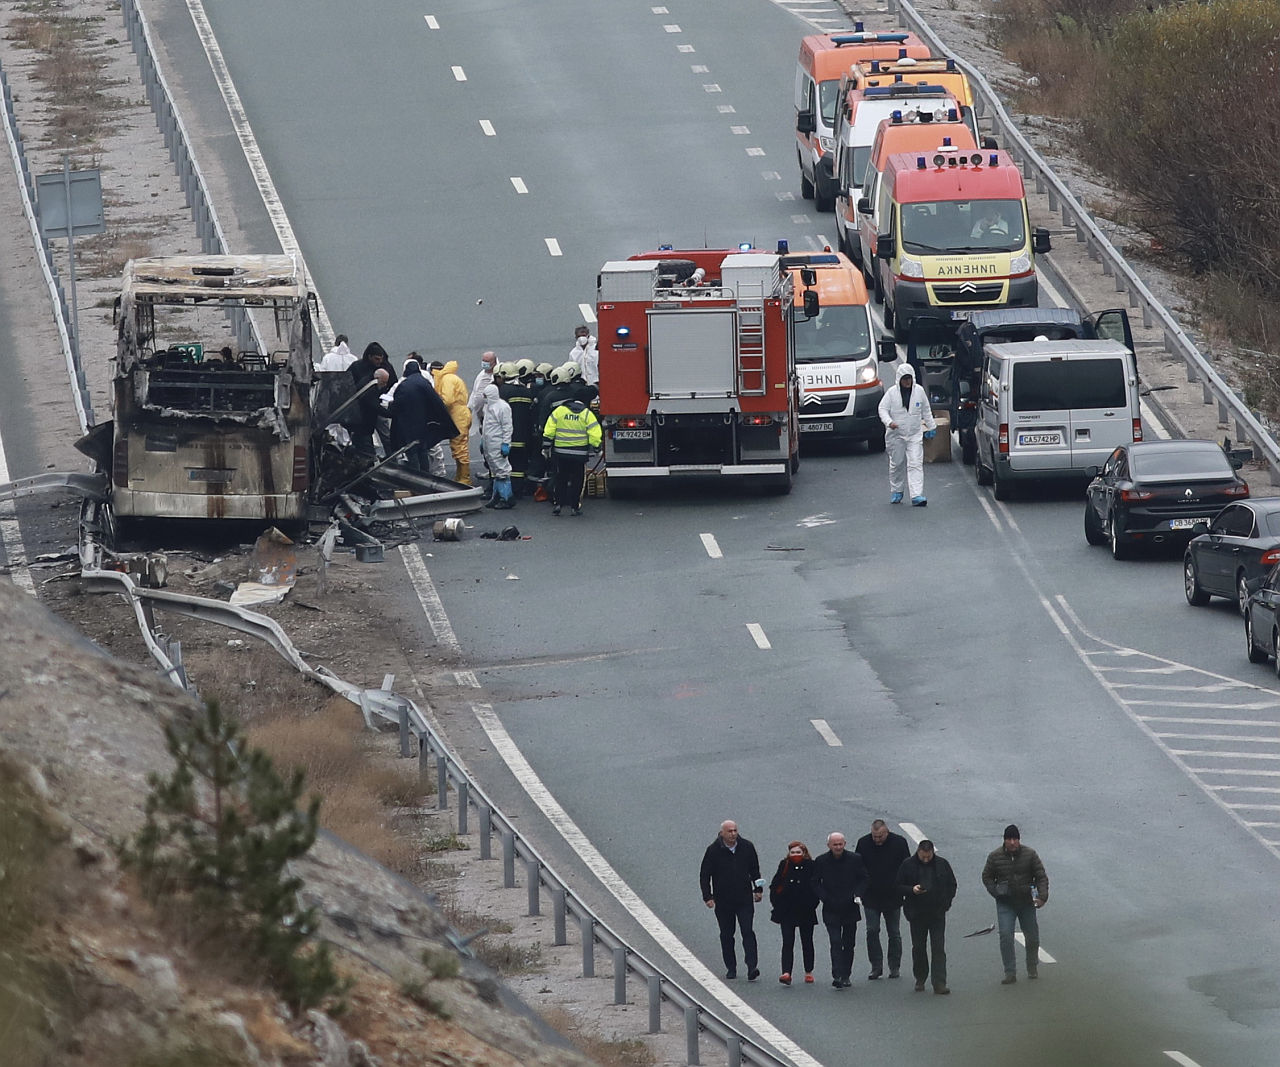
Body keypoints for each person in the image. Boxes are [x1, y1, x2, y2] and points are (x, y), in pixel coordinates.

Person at [981, 824, 1049, 985]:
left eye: (1015, 839)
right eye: (1009, 839)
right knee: (1005, 936)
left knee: (1032, 937)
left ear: (1019, 840)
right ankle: (1010, 972)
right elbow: (987, 877)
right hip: (1006, 903)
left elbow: (1041, 876)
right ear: (1004, 840)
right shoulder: (994, 857)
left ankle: (1032, 966)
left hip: (1026, 902)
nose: (1012, 842)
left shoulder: (1030, 855)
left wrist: (1042, 897)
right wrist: (997, 892)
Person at [699, 820, 763, 981]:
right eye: (730, 831)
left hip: (744, 899)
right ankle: (731, 967)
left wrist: (758, 889)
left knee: (748, 931)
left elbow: (755, 869)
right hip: (723, 901)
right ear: (722, 833)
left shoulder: (747, 847)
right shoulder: (713, 851)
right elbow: (705, 874)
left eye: (735, 830)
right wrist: (708, 896)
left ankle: (752, 966)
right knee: (727, 934)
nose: (733, 834)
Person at [896, 839, 957, 994]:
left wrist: (946, 904)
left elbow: (952, 885)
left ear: (932, 853)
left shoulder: (942, 864)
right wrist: (912, 890)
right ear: (918, 851)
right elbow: (897, 886)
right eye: (923, 856)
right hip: (916, 914)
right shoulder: (907, 865)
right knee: (918, 947)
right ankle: (920, 977)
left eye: (928, 856)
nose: (925, 859)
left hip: (937, 913)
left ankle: (939, 982)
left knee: (938, 948)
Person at [854, 819, 911, 980]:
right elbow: (858, 867)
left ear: (887, 832)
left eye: (880, 836)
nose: (877, 839)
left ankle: (894, 966)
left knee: (894, 932)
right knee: (872, 930)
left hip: (893, 895)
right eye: (874, 836)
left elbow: (907, 866)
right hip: (871, 896)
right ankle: (876, 966)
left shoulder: (899, 843)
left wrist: (905, 889)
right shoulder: (863, 843)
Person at [810, 831, 869, 989]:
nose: (838, 847)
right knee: (835, 941)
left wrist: (858, 894)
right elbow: (815, 882)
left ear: (844, 844)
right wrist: (824, 897)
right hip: (831, 908)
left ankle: (846, 974)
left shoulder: (855, 859)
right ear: (829, 845)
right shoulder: (821, 861)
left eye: (840, 844)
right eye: (834, 844)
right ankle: (837, 974)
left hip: (850, 907)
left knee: (849, 943)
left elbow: (864, 878)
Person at [877, 361, 937, 506]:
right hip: (896, 436)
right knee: (897, 464)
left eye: (909, 378)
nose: (907, 382)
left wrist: (931, 427)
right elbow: (882, 409)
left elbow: (926, 410)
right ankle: (897, 490)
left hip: (914, 435)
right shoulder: (892, 393)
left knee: (915, 463)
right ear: (899, 380)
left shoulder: (919, 392)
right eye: (905, 379)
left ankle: (917, 495)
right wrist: (889, 422)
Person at [388, 360, 457, 474]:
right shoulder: (424, 383)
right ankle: (426, 474)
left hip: (408, 426)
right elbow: (436, 401)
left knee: (412, 452)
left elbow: (396, 405)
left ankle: (416, 478)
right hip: (423, 425)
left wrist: (390, 407)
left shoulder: (404, 385)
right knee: (423, 450)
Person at [542, 392, 602, 516]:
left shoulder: (559, 411)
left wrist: (546, 445)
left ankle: (558, 504)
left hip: (561, 453)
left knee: (561, 478)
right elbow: (594, 432)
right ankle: (574, 507)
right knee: (577, 480)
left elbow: (549, 429)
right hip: (579, 454)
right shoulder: (586, 414)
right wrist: (596, 447)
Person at [768, 841, 819, 985]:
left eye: (798, 852)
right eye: (793, 853)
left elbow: (816, 886)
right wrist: (777, 904)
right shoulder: (784, 865)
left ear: (804, 853)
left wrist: (812, 904)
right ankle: (786, 972)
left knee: (807, 941)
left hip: (806, 911)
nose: (796, 855)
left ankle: (808, 971)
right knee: (787, 941)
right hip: (787, 911)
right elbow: (775, 885)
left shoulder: (811, 866)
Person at [430, 359, 472, 484]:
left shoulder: (447, 379)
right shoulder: (450, 377)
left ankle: (465, 477)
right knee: (457, 445)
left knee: (460, 447)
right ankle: (461, 476)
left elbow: (447, 400)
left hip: (458, 415)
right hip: (459, 414)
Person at [478, 383, 514, 508]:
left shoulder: (503, 407)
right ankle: (497, 496)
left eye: (485, 395)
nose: (484, 397)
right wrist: (483, 441)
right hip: (489, 444)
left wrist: (506, 444)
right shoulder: (487, 407)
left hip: (497, 443)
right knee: (494, 470)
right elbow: (486, 426)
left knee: (502, 470)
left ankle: (507, 498)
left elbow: (507, 427)